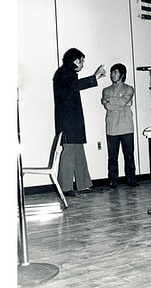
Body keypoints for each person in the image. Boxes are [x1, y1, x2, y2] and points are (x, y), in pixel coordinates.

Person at [53, 48, 106, 196]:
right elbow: (74, 86)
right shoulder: (64, 73)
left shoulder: (67, 73)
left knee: (78, 151)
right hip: (67, 121)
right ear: (76, 61)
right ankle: (65, 188)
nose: (83, 64)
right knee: (69, 152)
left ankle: (84, 185)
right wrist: (94, 77)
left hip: (71, 120)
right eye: (82, 61)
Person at [101, 63, 138, 190]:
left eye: (115, 72)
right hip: (112, 127)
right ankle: (112, 181)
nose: (112, 75)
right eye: (112, 72)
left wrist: (112, 101)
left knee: (129, 154)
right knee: (112, 156)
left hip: (126, 125)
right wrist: (123, 103)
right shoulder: (106, 90)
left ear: (122, 74)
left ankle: (131, 179)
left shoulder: (129, 89)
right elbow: (108, 106)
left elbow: (121, 102)